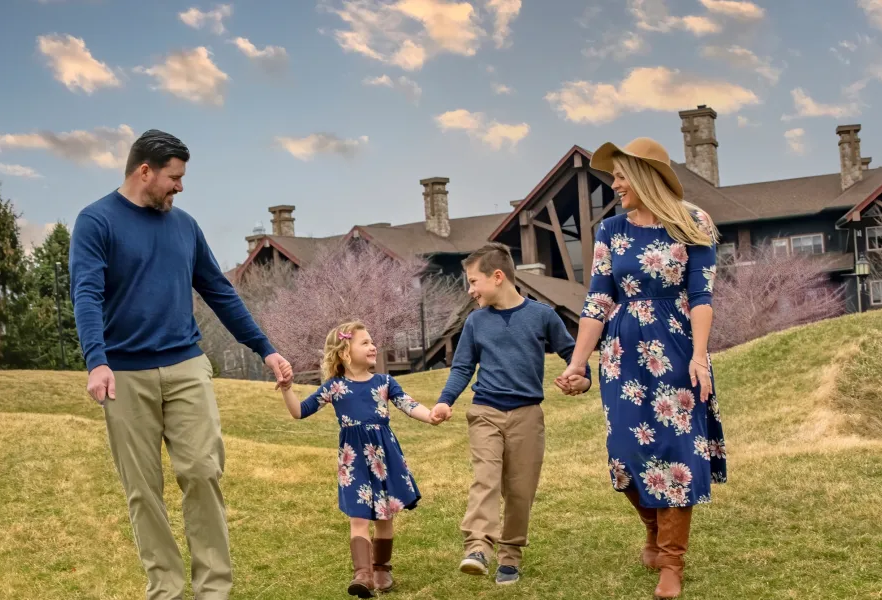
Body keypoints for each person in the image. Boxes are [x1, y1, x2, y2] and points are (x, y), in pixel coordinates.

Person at [69, 129, 293, 600]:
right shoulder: (96, 222)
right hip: (124, 375)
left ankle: (213, 590)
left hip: (187, 366)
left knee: (201, 470)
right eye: (174, 177)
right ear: (144, 171)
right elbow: (86, 294)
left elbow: (219, 290)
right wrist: (97, 361)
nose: (180, 187)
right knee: (143, 490)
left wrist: (265, 347)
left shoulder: (185, 226)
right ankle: (166, 590)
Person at [556, 137, 727, 599]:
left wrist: (698, 356)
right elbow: (598, 298)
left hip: (677, 346)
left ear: (646, 174)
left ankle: (672, 561)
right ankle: (653, 525)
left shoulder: (694, 223)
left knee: (676, 451)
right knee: (625, 451)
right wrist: (577, 363)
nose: (614, 185)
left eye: (620, 175)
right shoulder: (612, 230)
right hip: (623, 352)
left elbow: (702, 296)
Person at [429, 242, 591, 585]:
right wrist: (446, 400)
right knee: (485, 479)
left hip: (527, 416)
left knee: (520, 490)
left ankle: (510, 556)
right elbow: (462, 368)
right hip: (485, 411)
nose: (470, 290)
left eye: (473, 282)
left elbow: (571, 353)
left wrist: (582, 379)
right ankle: (477, 547)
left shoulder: (542, 316)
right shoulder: (475, 322)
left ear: (498, 276)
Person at [278, 321, 442, 598]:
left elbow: (408, 405)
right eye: (364, 342)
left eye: (371, 341)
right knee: (358, 515)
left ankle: (381, 569)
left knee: (385, 515)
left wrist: (431, 416)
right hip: (352, 461)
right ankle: (362, 575)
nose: (373, 346)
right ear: (344, 352)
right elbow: (300, 411)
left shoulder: (385, 382)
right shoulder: (335, 387)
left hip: (384, 457)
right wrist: (287, 389)